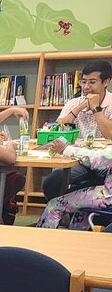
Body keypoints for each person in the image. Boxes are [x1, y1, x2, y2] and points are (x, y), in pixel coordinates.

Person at [42, 59, 112, 201]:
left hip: (104, 163)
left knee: (95, 182)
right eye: (83, 82)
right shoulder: (73, 103)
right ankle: (63, 214)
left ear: (106, 82)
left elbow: (109, 134)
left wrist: (96, 108)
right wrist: (79, 108)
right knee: (52, 181)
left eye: (92, 82)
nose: (86, 87)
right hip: (77, 159)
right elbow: (57, 130)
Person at [35, 142, 112, 229]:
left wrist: (66, 149)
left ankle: (42, 239)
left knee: (54, 205)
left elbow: (99, 159)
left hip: (108, 196)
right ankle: (76, 238)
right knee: (81, 207)